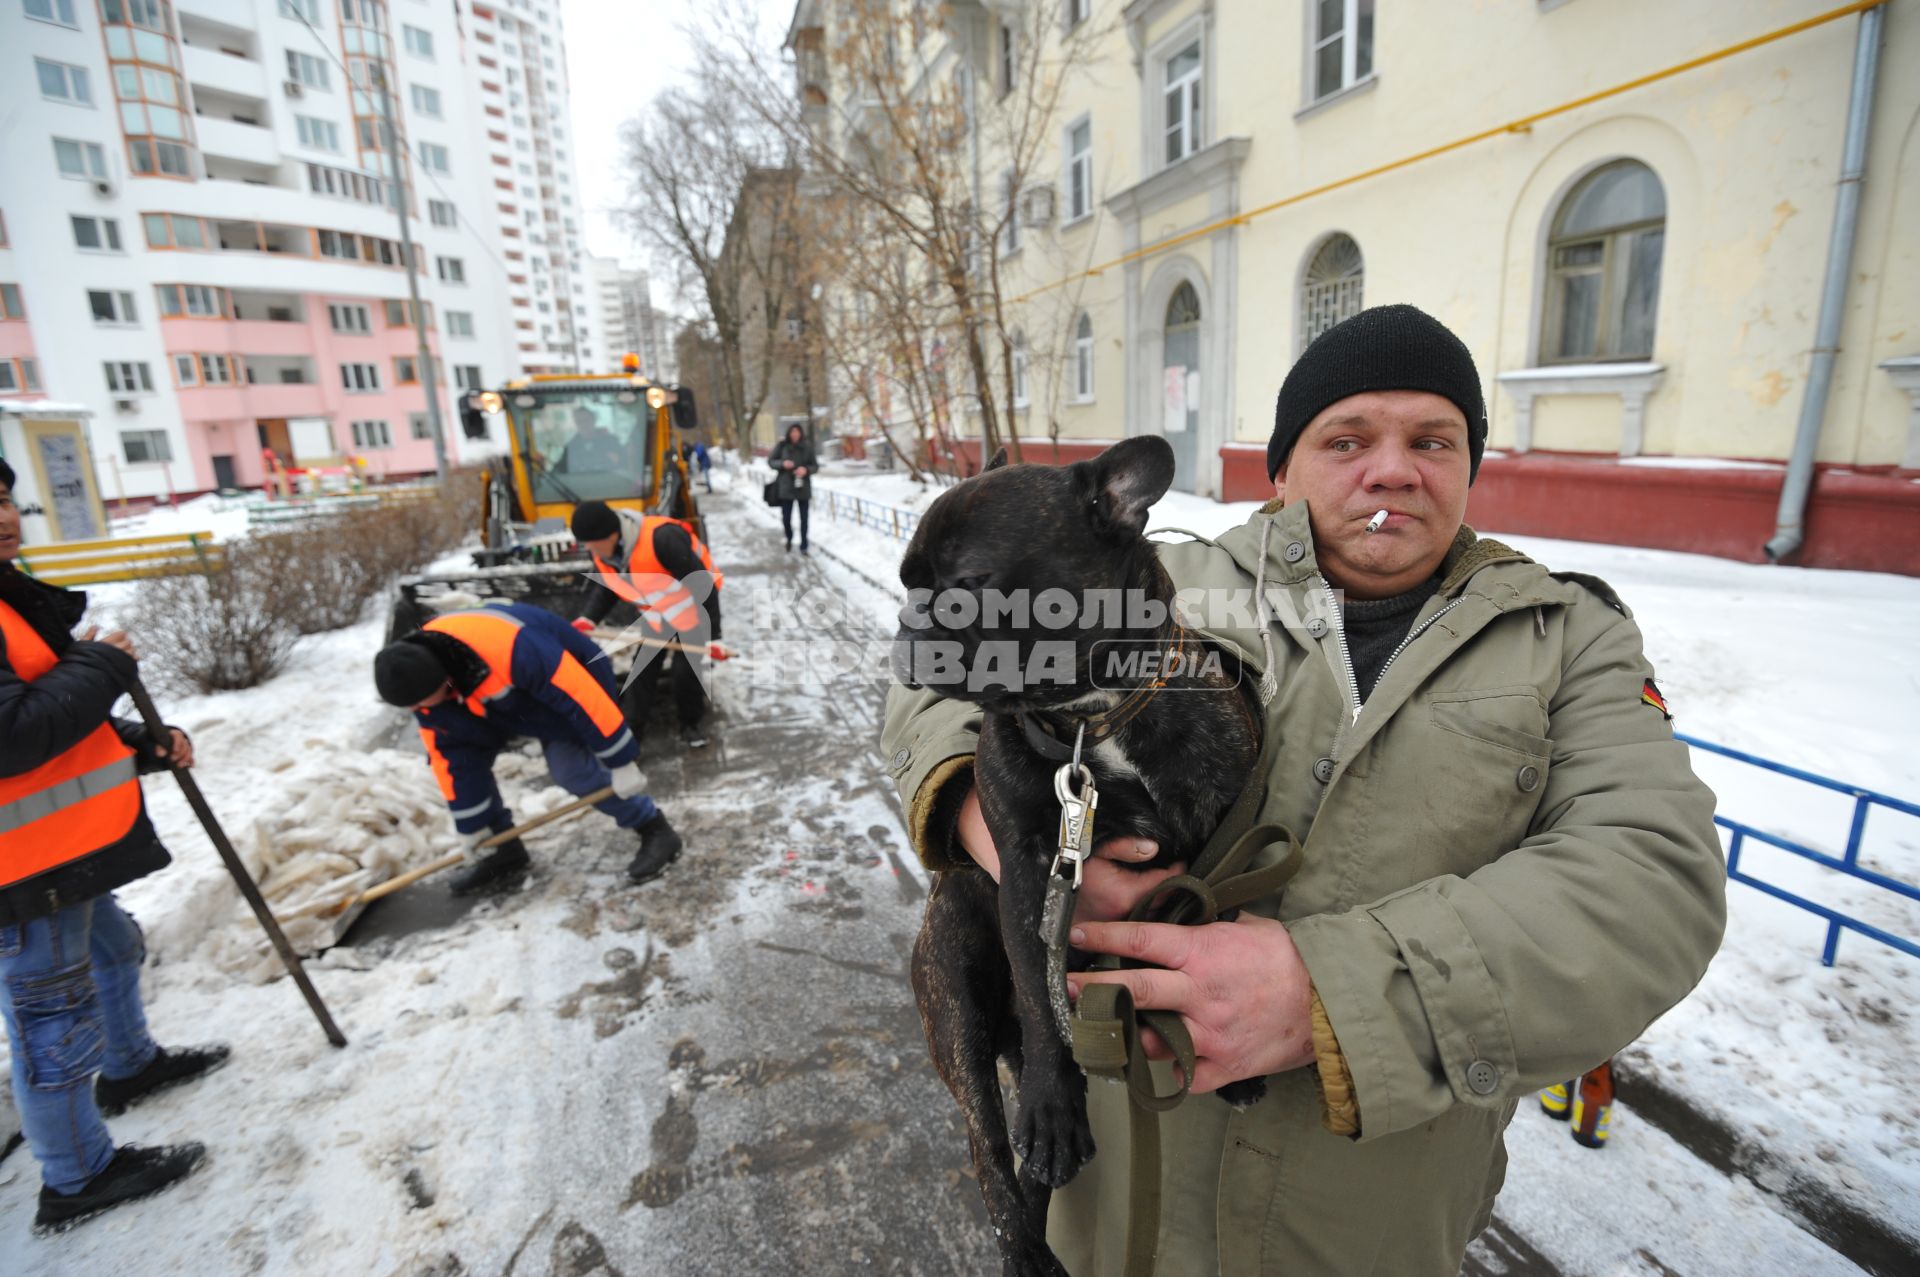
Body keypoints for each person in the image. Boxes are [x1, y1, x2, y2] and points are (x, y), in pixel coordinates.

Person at [880, 304, 1726, 1273]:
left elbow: (1653, 881)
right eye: (1349, 436)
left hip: (1369, 1222)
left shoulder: (1572, 636)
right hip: (1120, 1205)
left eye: (1434, 438)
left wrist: (1338, 995)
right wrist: (990, 816)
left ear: (1471, 464)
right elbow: (932, 673)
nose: (1393, 467)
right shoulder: (1166, 577)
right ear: (1284, 465)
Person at [0, 458, 227, 1234]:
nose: (2, 515)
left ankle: (130, 1065)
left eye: (2, 496)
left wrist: (137, 741)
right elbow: (12, 736)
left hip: (57, 847)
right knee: (49, 1017)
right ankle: (75, 1176)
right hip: (19, 868)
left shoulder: (9, 595)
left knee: (115, 946)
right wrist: (105, 663)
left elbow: (50, 710)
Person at [373, 601, 684, 890]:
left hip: (576, 679)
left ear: (441, 683)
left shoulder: (511, 648)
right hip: (499, 698)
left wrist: (621, 760)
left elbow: (580, 696)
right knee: (467, 756)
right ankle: (503, 850)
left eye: (417, 704)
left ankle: (653, 827)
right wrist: (470, 824)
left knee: (571, 771)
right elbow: (451, 759)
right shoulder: (421, 681)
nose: (415, 711)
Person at [569, 500, 724, 751]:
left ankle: (691, 724)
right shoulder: (604, 552)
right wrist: (589, 618)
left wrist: (715, 637)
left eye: (591, 543)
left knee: (685, 672)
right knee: (642, 670)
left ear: (611, 535)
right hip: (658, 614)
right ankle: (632, 731)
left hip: (692, 611)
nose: (589, 549)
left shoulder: (662, 538)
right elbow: (609, 587)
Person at [768, 423, 817, 554]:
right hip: (786, 487)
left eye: (797, 432)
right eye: (792, 432)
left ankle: (804, 545)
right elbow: (771, 461)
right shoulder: (782, 446)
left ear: (801, 433)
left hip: (803, 487)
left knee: (804, 518)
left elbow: (815, 466)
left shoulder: (807, 446)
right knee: (786, 518)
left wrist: (806, 470)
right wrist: (783, 464)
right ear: (789, 433)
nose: (795, 434)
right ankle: (789, 537)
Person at [558, 406, 625, 474]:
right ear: (576, 423)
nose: (583, 424)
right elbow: (559, 470)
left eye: (586, 420)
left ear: (593, 420)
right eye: (579, 421)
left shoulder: (610, 442)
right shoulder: (571, 447)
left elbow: (623, 464)